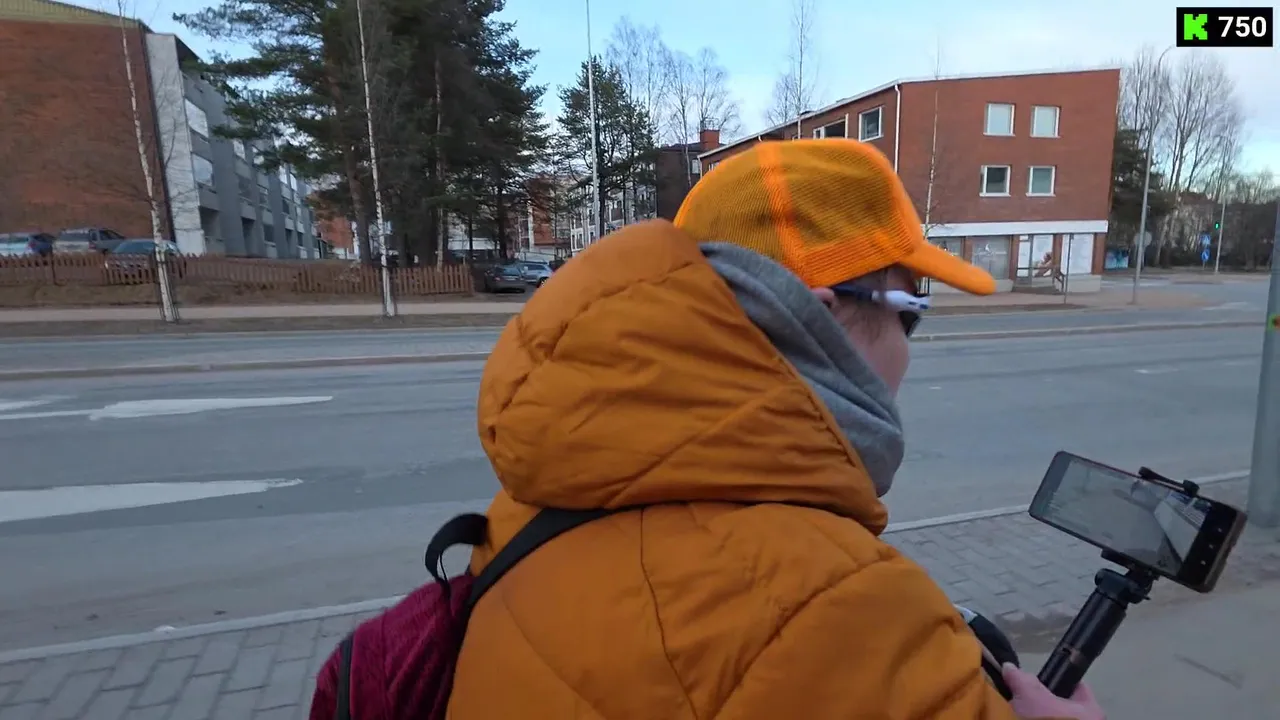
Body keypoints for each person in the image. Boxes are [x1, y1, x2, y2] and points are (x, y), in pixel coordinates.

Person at [447, 139, 1105, 719]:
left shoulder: (531, 508)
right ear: (813, 317)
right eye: (910, 313)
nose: (909, 349)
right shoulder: (845, 610)